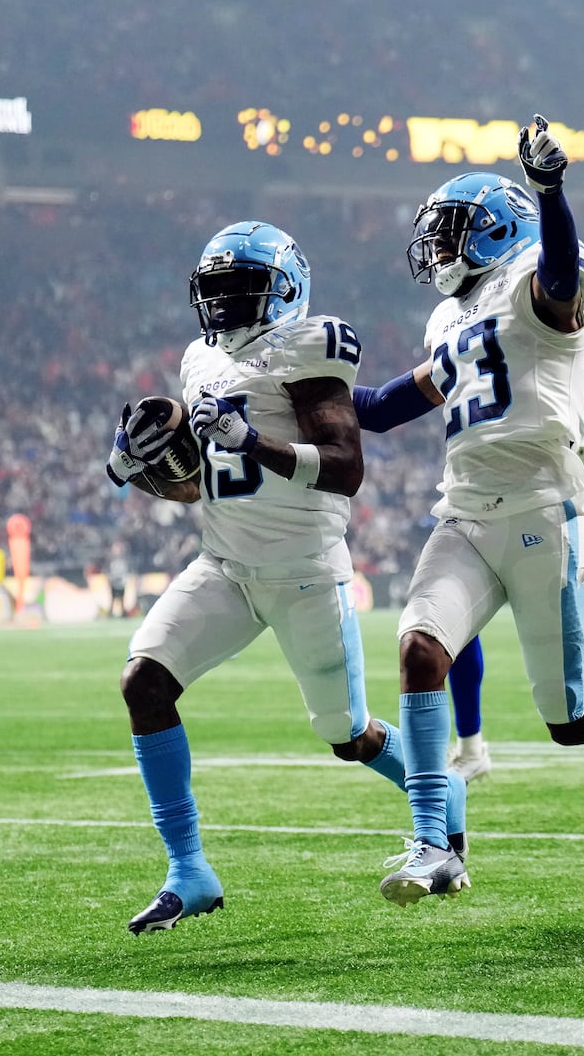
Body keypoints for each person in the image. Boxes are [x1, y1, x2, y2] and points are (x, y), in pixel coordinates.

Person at [354, 116, 584, 907]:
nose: (438, 246)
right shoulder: (448, 318)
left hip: (542, 512)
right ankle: (435, 843)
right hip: (464, 512)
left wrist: (552, 191)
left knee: (566, 718)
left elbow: (561, 276)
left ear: (495, 229)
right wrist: (288, 403)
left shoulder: (540, 281)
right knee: (420, 648)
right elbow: (386, 408)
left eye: (452, 230)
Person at [105, 220, 468, 934]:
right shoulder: (198, 361)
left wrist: (252, 439)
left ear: (285, 290)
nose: (226, 304)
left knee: (347, 733)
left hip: (305, 570)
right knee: (143, 681)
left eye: (242, 288)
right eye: (216, 290)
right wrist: (139, 466)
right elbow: (200, 487)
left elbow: (345, 467)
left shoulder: (310, 344)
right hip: (226, 564)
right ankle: (190, 870)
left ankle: (441, 789)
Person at [445, 345, 584, 799]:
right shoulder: (485, 343)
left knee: (565, 655)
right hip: (481, 507)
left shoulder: (569, 355)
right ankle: (471, 747)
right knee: (450, 626)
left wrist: (575, 443)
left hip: (547, 513)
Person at [106, 541, 131, 618]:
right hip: (114, 582)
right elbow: (108, 571)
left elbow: (126, 571)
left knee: (122, 599)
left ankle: (123, 613)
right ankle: (110, 613)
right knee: (112, 599)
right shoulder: (110, 559)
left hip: (121, 582)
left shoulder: (124, 560)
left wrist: (124, 579)